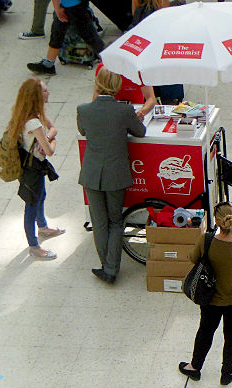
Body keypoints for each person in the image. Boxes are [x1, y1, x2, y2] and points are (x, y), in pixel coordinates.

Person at [77, 67, 146, 284]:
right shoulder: (124, 111)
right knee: (116, 221)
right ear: (117, 86)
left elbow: (83, 131)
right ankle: (111, 267)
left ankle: (106, 266)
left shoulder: (84, 109)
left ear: (97, 84)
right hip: (116, 174)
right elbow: (140, 132)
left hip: (91, 173)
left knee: (99, 222)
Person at [179, 202, 232, 386]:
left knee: (205, 331)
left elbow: (192, 258)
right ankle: (227, 373)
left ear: (217, 221)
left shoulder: (206, 240)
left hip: (210, 298)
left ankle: (195, 367)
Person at [6, 78, 65, 259]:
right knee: (31, 204)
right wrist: (50, 141)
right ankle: (34, 246)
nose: (49, 93)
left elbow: (53, 127)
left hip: (30, 164)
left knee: (41, 196)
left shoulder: (30, 114)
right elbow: (49, 151)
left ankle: (43, 226)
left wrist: (47, 136)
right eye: (45, 91)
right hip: (32, 167)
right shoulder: (34, 123)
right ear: (37, 96)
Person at [27, 0, 105, 75]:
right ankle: (49, 63)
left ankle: (109, 59)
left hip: (71, 5)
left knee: (89, 35)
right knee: (58, 31)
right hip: (71, 4)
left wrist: (57, 9)